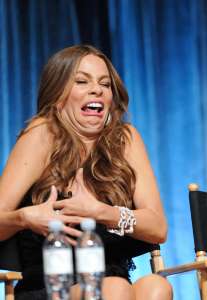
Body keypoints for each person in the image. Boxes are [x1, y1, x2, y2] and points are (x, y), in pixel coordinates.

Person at [0, 45, 172, 300]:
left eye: (105, 84)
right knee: (114, 288)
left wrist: (102, 212)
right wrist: (24, 218)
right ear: (58, 94)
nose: (97, 90)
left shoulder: (125, 140)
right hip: (51, 287)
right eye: (82, 81)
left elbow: (158, 228)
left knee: (156, 288)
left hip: (114, 283)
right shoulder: (42, 134)